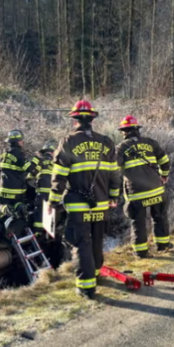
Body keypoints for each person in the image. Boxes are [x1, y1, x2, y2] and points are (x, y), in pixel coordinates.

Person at [48, 100, 121, 299]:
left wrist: (53, 202)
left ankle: (86, 287)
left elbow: (59, 176)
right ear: (92, 120)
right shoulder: (106, 142)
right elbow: (114, 174)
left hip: (78, 206)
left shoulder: (68, 142)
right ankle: (95, 274)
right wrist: (114, 196)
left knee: (81, 243)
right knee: (97, 241)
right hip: (101, 204)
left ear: (75, 121)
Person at [116, 115, 172, 258]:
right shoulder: (150, 143)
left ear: (123, 132)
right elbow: (164, 160)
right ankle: (163, 246)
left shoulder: (121, 147)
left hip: (137, 194)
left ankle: (140, 252)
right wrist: (164, 175)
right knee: (160, 217)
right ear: (137, 129)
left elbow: (113, 166)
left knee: (138, 223)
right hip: (156, 190)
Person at [0, 129, 31, 216]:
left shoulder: (2, 154)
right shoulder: (19, 155)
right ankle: (18, 208)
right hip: (16, 192)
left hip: (3, 191)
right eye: (21, 140)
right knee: (18, 207)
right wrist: (37, 159)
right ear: (17, 142)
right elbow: (29, 168)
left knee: (2, 206)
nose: (22, 142)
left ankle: (7, 210)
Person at [28, 140, 57, 231]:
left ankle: (38, 233)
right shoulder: (56, 164)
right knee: (50, 212)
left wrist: (29, 180)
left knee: (39, 212)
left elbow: (30, 175)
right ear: (52, 153)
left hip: (42, 193)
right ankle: (49, 232)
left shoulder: (41, 162)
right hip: (53, 194)